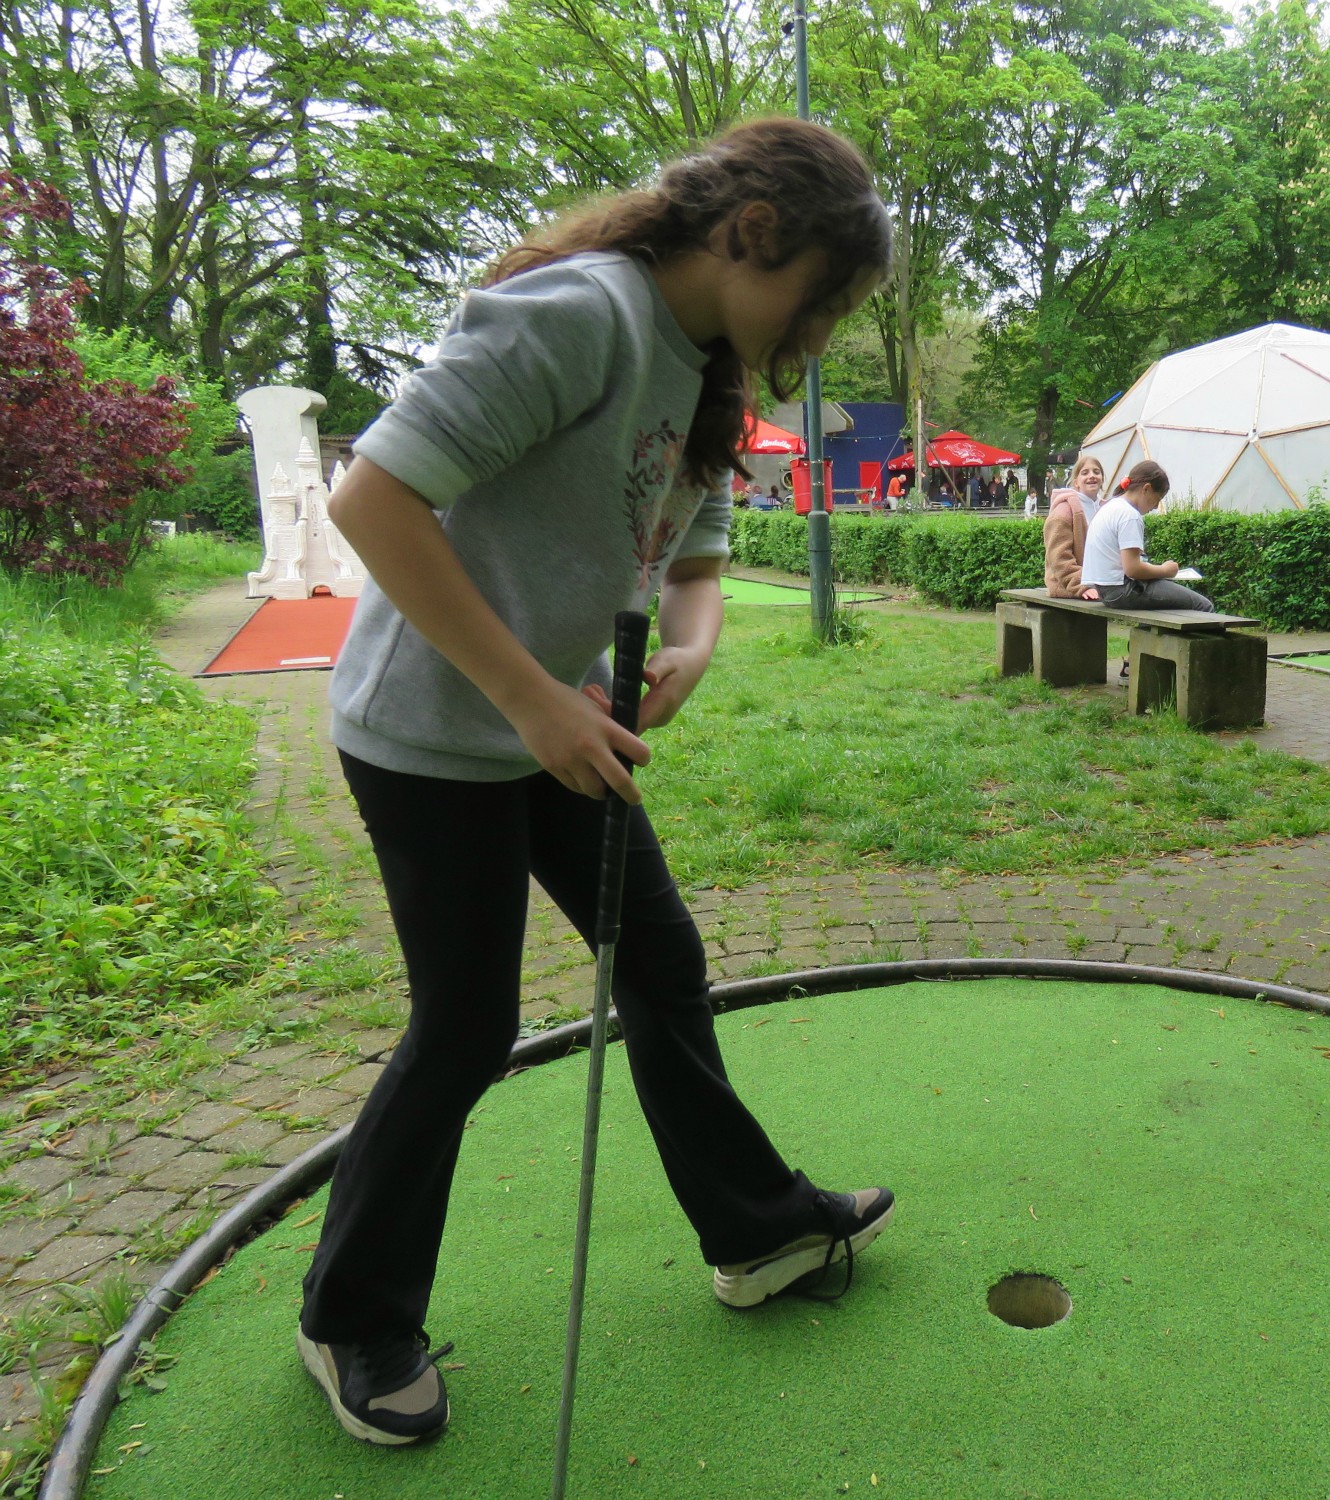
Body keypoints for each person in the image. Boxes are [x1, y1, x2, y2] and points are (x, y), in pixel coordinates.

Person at [302, 117, 898, 1449]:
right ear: (752, 236)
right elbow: (374, 502)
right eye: (823, 300)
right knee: (465, 1026)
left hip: (558, 728)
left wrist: (693, 639)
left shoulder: (703, 363)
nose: (820, 335)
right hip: (430, 735)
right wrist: (526, 697)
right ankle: (350, 1319)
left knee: (663, 962)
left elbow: (694, 545)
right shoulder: (582, 315)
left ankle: (754, 1234)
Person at [1081, 458, 1212, 612]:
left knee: (1163, 612)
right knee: (1204, 606)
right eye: (1158, 499)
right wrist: (1165, 571)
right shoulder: (1130, 515)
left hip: (1105, 591)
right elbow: (1132, 570)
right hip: (1123, 591)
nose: (1156, 506)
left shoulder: (1110, 506)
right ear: (1147, 489)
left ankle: (1146, 636)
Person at [1041, 453, 1106, 597]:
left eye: (1096, 472)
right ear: (1076, 482)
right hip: (1067, 586)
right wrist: (1082, 586)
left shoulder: (1107, 509)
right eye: (1085, 473)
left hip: (1099, 584)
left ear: (1102, 478)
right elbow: (1059, 558)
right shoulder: (1063, 512)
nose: (1092, 476)